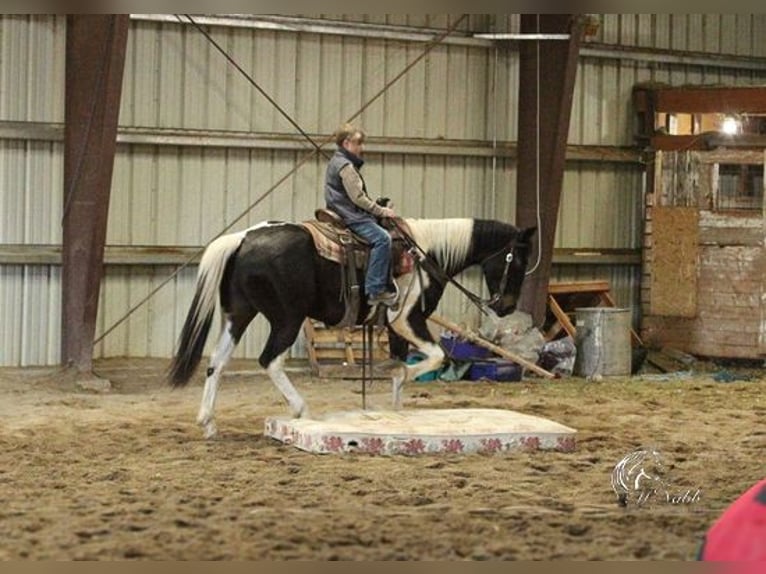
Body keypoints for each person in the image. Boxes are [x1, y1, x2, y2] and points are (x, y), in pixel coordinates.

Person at [324, 123, 398, 307]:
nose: (361, 148)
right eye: (358, 143)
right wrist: (382, 211)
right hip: (351, 216)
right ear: (347, 143)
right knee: (383, 239)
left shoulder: (335, 161)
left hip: (339, 209)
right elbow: (358, 198)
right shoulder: (346, 166)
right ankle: (375, 289)